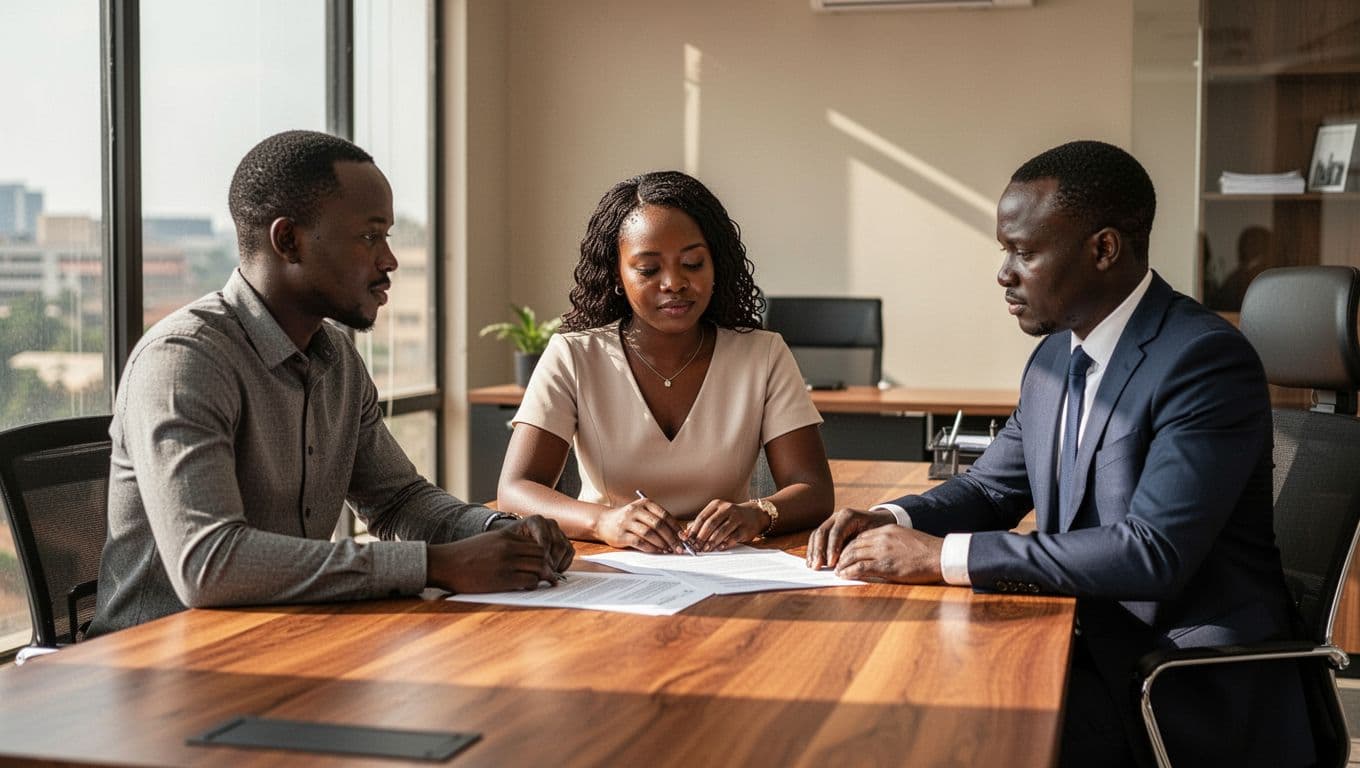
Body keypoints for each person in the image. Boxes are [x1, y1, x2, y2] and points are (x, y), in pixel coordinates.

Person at [806, 141, 1310, 767]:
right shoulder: (1053, 359)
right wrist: (894, 519)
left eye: (1024, 251)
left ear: (1103, 249)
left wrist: (943, 557)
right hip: (1086, 643)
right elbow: (992, 490)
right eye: (1003, 251)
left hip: (1178, 679)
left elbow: (1152, 551)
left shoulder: (1202, 359)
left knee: (940, 739)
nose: (1004, 274)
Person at [88, 130, 572, 637]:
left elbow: (398, 501)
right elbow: (210, 563)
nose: (389, 260)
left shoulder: (337, 356)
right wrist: (433, 565)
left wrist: (502, 532)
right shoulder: (186, 360)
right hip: (155, 668)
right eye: (369, 236)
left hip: (286, 640)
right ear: (288, 241)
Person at [496, 171, 833, 553]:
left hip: (726, 565)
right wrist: (603, 521)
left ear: (715, 267)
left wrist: (756, 514)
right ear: (618, 275)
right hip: (608, 568)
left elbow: (815, 491)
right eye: (648, 269)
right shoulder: (573, 355)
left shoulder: (763, 354)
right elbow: (515, 490)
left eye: (692, 263)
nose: (674, 282)